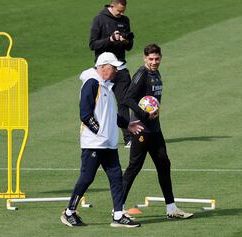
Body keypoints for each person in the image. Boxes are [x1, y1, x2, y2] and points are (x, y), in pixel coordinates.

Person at [60, 52, 143, 228]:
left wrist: (127, 125)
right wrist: (99, 132)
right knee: (87, 177)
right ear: (103, 67)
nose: (116, 72)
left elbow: (111, 115)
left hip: (108, 144)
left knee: (116, 177)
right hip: (94, 143)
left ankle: (119, 215)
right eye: (113, 68)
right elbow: (85, 114)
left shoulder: (105, 86)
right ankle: (69, 212)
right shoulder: (91, 84)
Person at [122, 44, 194, 219]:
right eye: (151, 59)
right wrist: (144, 113)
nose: (154, 62)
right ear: (144, 58)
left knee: (164, 165)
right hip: (141, 130)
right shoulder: (142, 74)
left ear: (161, 57)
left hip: (155, 130)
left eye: (157, 58)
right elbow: (128, 99)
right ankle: (118, 208)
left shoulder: (156, 73)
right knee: (134, 168)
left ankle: (171, 209)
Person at [89, 0, 134, 148]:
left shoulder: (125, 20)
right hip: (104, 71)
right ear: (112, 6)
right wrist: (110, 39)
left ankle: (128, 138)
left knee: (123, 102)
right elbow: (93, 44)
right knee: (100, 104)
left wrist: (124, 40)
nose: (121, 14)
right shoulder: (99, 19)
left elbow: (130, 46)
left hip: (120, 68)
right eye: (119, 11)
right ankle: (99, 134)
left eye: (123, 11)